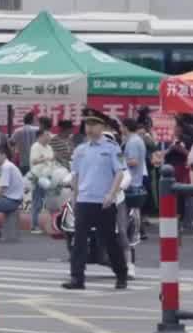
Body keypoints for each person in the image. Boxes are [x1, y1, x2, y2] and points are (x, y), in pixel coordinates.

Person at [62, 113, 129, 291]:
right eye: (88, 125)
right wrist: (74, 198)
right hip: (84, 200)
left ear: (103, 127)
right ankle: (77, 278)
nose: (90, 128)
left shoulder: (112, 149)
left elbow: (120, 173)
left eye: (94, 125)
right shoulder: (80, 150)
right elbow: (75, 175)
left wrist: (111, 194)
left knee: (109, 240)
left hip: (104, 201)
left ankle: (121, 274)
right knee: (79, 241)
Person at [121, 114, 151, 253]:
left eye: (122, 126)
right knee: (135, 208)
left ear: (126, 128)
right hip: (136, 178)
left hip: (131, 179)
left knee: (130, 208)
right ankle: (136, 232)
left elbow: (133, 161)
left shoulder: (132, 142)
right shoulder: (137, 140)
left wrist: (119, 162)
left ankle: (134, 233)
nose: (121, 129)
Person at [0, 145, 26, 241]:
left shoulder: (6, 167)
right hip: (12, 199)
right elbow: (2, 189)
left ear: (3, 155)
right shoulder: (8, 165)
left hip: (12, 201)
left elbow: (2, 188)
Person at [27, 127, 62, 234]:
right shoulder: (35, 147)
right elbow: (34, 160)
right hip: (38, 177)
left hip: (49, 177)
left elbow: (52, 161)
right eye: (47, 135)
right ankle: (34, 226)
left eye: (49, 135)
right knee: (37, 201)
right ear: (40, 136)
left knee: (52, 201)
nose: (49, 137)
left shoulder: (49, 147)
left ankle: (55, 224)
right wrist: (46, 159)